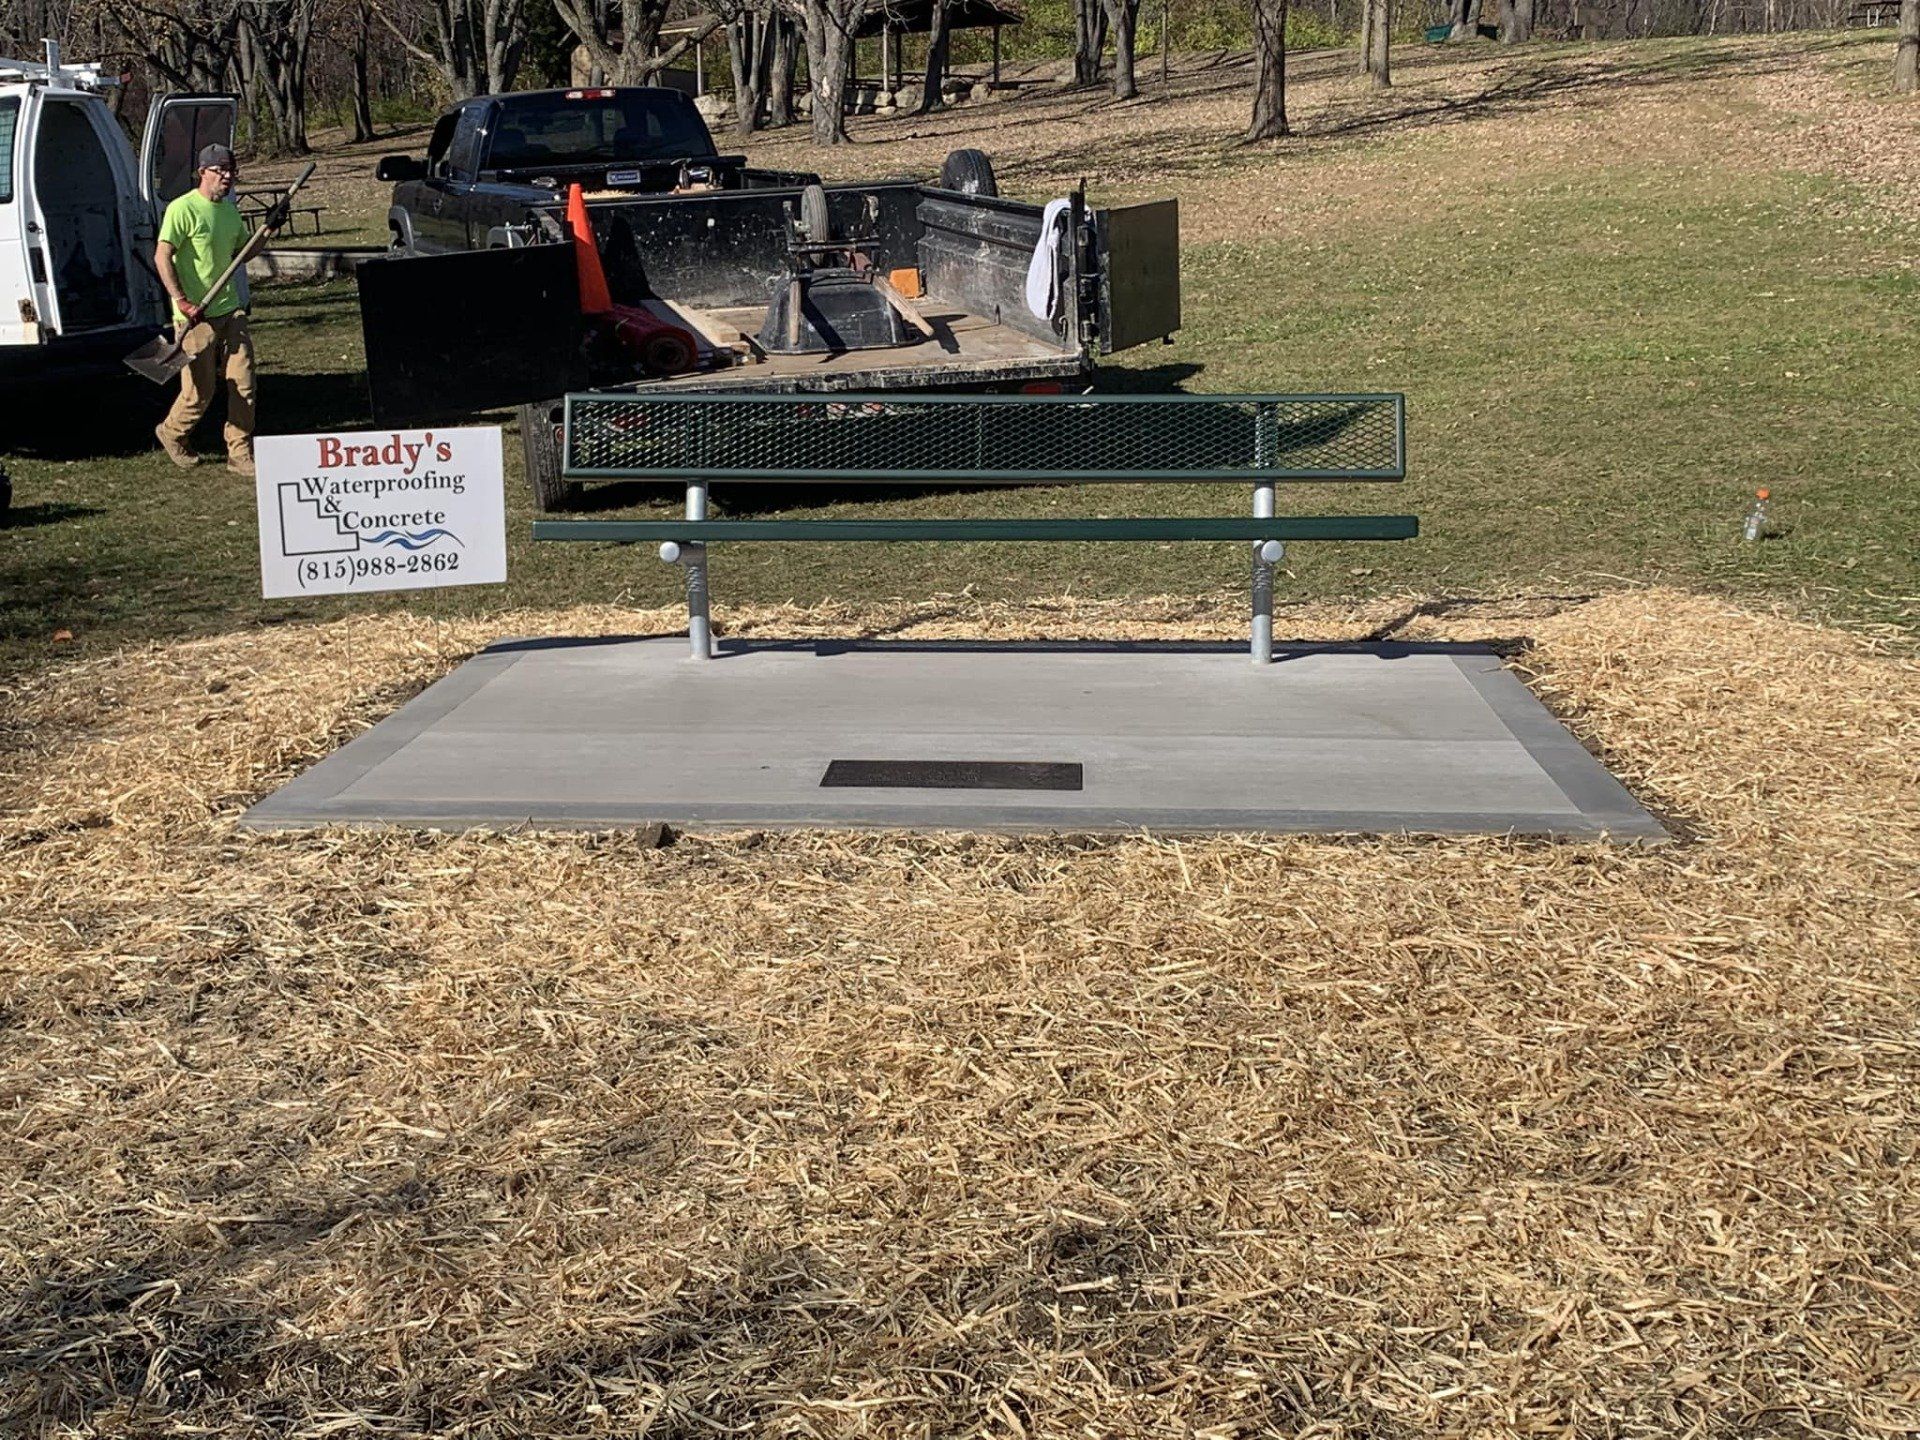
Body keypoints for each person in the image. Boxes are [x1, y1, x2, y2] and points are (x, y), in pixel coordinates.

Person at [153, 143, 255, 477]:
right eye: (220, 170)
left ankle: (239, 454)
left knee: (243, 384)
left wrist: (269, 230)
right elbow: (162, 256)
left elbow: (244, 253)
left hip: (230, 309)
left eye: (231, 171)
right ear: (203, 172)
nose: (227, 176)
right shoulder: (182, 209)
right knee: (199, 392)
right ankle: (172, 432)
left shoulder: (229, 210)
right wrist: (181, 300)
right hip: (194, 316)